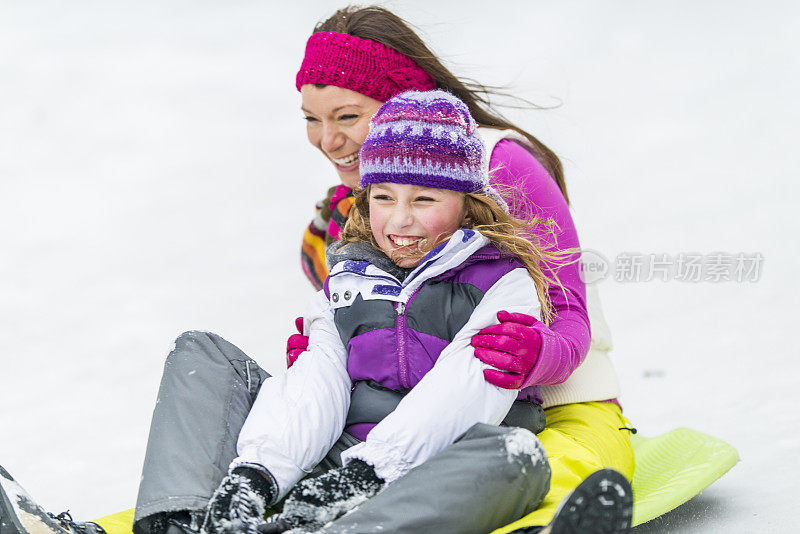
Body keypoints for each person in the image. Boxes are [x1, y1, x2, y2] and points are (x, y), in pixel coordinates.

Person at [0, 6, 631, 534]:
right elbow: (366, 323)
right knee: (214, 366)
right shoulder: (361, 204)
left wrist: (536, 354)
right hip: (376, 416)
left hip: (545, 401)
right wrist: (331, 341)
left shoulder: (495, 167)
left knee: (525, 464)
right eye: (311, 118)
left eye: (347, 117)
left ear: (404, 105)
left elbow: (566, 314)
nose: (327, 140)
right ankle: (178, 520)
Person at [198, 89, 630, 534]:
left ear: (467, 203)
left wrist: (364, 476)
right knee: (209, 358)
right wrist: (257, 474)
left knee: (514, 455)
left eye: (424, 200)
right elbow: (317, 385)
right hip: (345, 456)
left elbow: (463, 388)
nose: (401, 220)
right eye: (383, 197)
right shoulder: (349, 275)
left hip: (438, 460)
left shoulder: (501, 278)